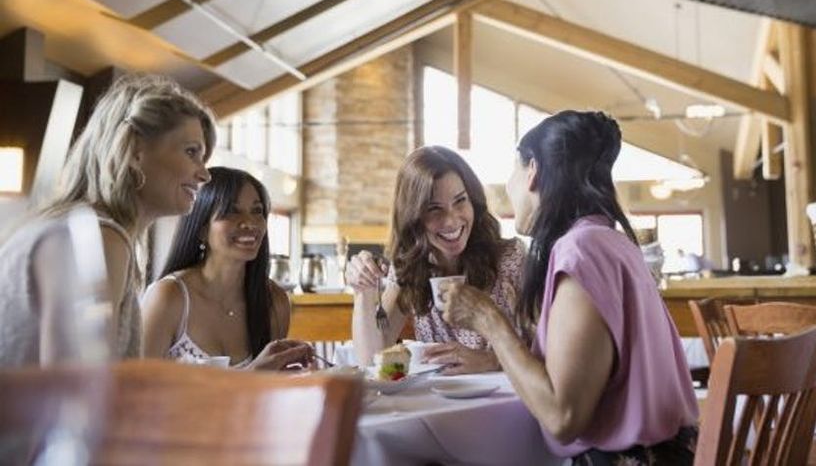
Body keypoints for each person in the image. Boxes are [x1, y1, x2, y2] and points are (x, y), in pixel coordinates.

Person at [442, 111, 699, 464]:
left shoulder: (582, 251)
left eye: (512, 171)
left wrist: (488, 320)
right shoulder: (610, 242)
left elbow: (561, 417)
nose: (509, 189)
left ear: (532, 171)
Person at [0, 74, 216, 366]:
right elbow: (77, 381)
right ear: (134, 151)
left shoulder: (76, 227)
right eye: (192, 152)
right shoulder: (99, 238)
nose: (205, 174)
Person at [345, 146, 524, 374]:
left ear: (473, 201)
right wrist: (363, 291)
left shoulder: (510, 259)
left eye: (460, 201)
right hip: (441, 395)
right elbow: (371, 359)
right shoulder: (410, 267)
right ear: (413, 216)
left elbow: (551, 356)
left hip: (508, 394)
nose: (451, 221)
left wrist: (492, 361)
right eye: (434, 209)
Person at [142, 167, 312, 370]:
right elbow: (135, 386)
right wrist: (252, 376)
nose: (250, 223)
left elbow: (268, 386)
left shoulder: (275, 302)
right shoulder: (168, 297)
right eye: (232, 211)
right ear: (202, 229)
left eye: (257, 211)